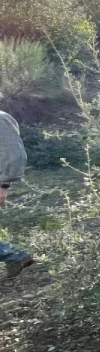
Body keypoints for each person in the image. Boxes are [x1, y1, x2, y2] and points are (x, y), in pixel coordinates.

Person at [0, 110, 34, 278]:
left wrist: (4, 186)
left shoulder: (1, 119)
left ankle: (16, 256)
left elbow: (15, 155)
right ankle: (15, 256)